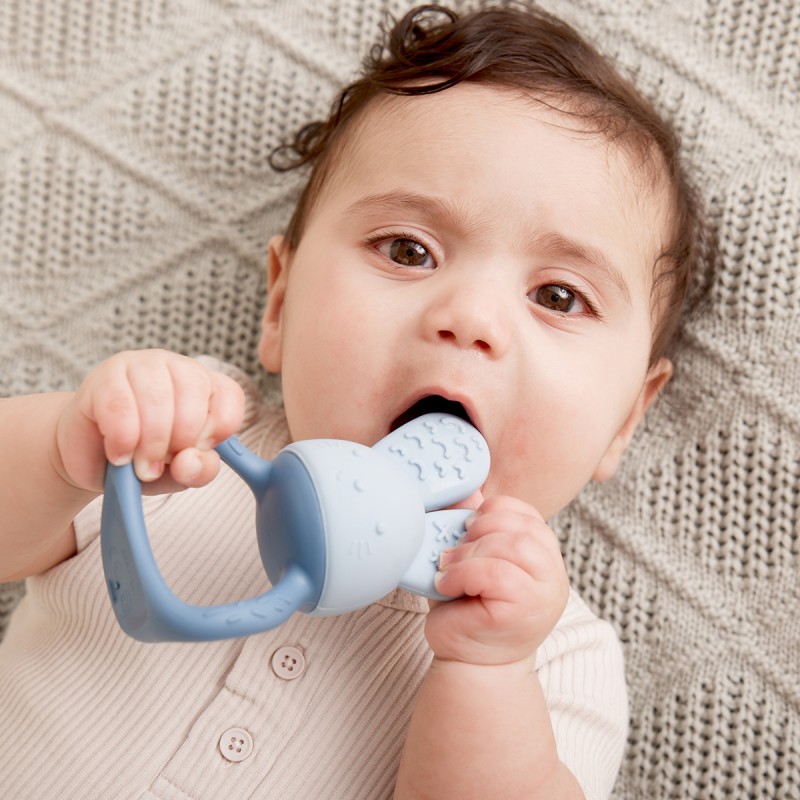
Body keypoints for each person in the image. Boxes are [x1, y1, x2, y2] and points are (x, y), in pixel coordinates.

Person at [0, 4, 707, 799]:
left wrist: (488, 668)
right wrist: (68, 449)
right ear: (280, 305)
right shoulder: (185, 445)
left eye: (558, 295)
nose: (470, 320)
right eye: (409, 250)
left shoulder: (556, 655)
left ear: (625, 420)